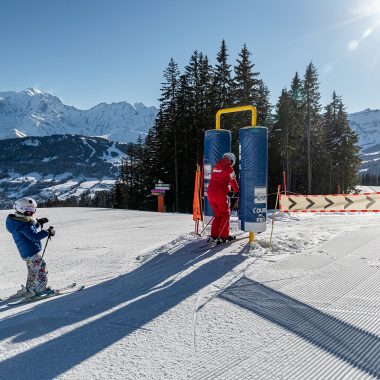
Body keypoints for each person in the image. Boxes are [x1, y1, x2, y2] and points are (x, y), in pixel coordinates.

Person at [5, 197, 56, 297]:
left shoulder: (17, 221)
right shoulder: (24, 224)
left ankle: (30, 289)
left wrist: (38, 223)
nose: (32, 212)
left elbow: (29, 230)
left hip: (27, 253)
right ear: (23, 210)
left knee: (33, 271)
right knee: (41, 269)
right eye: (30, 210)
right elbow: (34, 236)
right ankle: (41, 290)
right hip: (32, 252)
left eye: (34, 210)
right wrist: (48, 232)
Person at [207, 152, 239, 242]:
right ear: (231, 160)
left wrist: (228, 192)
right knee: (225, 214)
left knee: (218, 214)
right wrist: (237, 191)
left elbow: (219, 181)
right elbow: (233, 181)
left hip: (210, 192)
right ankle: (224, 236)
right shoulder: (229, 168)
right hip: (219, 194)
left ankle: (214, 235)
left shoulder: (216, 166)